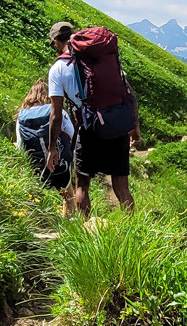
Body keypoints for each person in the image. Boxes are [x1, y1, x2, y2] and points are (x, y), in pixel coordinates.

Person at [45, 20, 138, 216]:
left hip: (89, 129)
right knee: (122, 186)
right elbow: (128, 91)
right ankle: (134, 229)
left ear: (55, 41)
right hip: (117, 124)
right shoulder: (100, 58)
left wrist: (52, 147)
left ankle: (85, 229)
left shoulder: (58, 69)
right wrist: (134, 126)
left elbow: (56, 114)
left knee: (82, 185)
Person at [15, 77, 76, 216]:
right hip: (59, 164)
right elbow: (72, 136)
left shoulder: (22, 116)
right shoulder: (56, 111)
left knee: (31, 194)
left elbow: (20, 145)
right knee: (68, 195)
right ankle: (69, 226)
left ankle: (33, 219)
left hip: (34, 167)